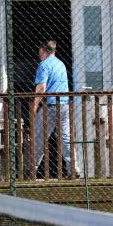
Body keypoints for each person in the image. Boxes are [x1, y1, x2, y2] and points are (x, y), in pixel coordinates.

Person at [33, 40, 77, 178]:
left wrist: (34, 106)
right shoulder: (61, 64)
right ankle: (74, 169)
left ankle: (31, 170)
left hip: (50, 106)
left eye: (39, 50)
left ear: (42, 50)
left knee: (38, 137)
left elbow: (41, 88)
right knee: (66, 138)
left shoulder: (44, 65)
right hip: (64, 105)